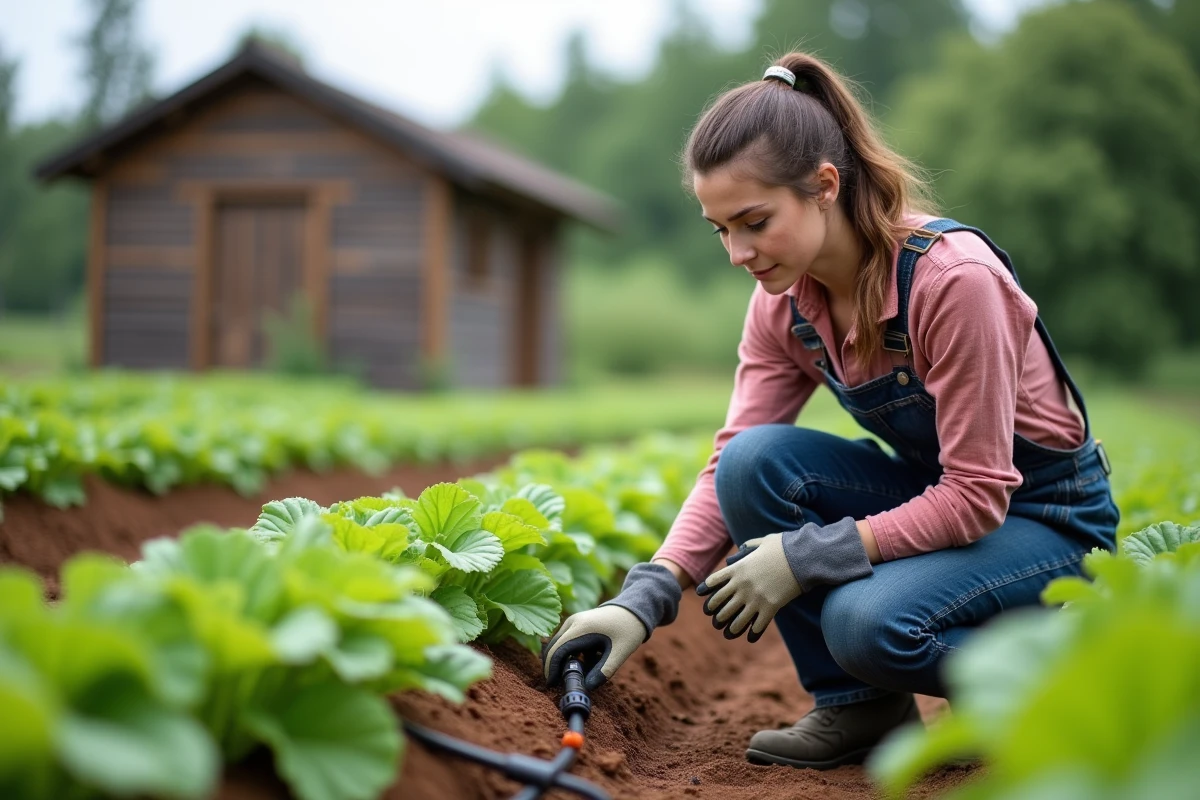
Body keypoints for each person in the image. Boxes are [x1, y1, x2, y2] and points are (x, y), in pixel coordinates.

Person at [541, 52, 1119, 771]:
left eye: (754, 221)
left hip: (1046, 517)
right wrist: (646, 595)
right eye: (720, 229)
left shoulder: (952, 284)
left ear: (823, 187)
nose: (737, 252)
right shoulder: (785, 306)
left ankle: (1051, 678)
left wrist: (810, 555)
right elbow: (734, 456)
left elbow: (977, 495)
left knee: (867, 624)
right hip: (941, 493)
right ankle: (860, 710)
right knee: (756, 466)